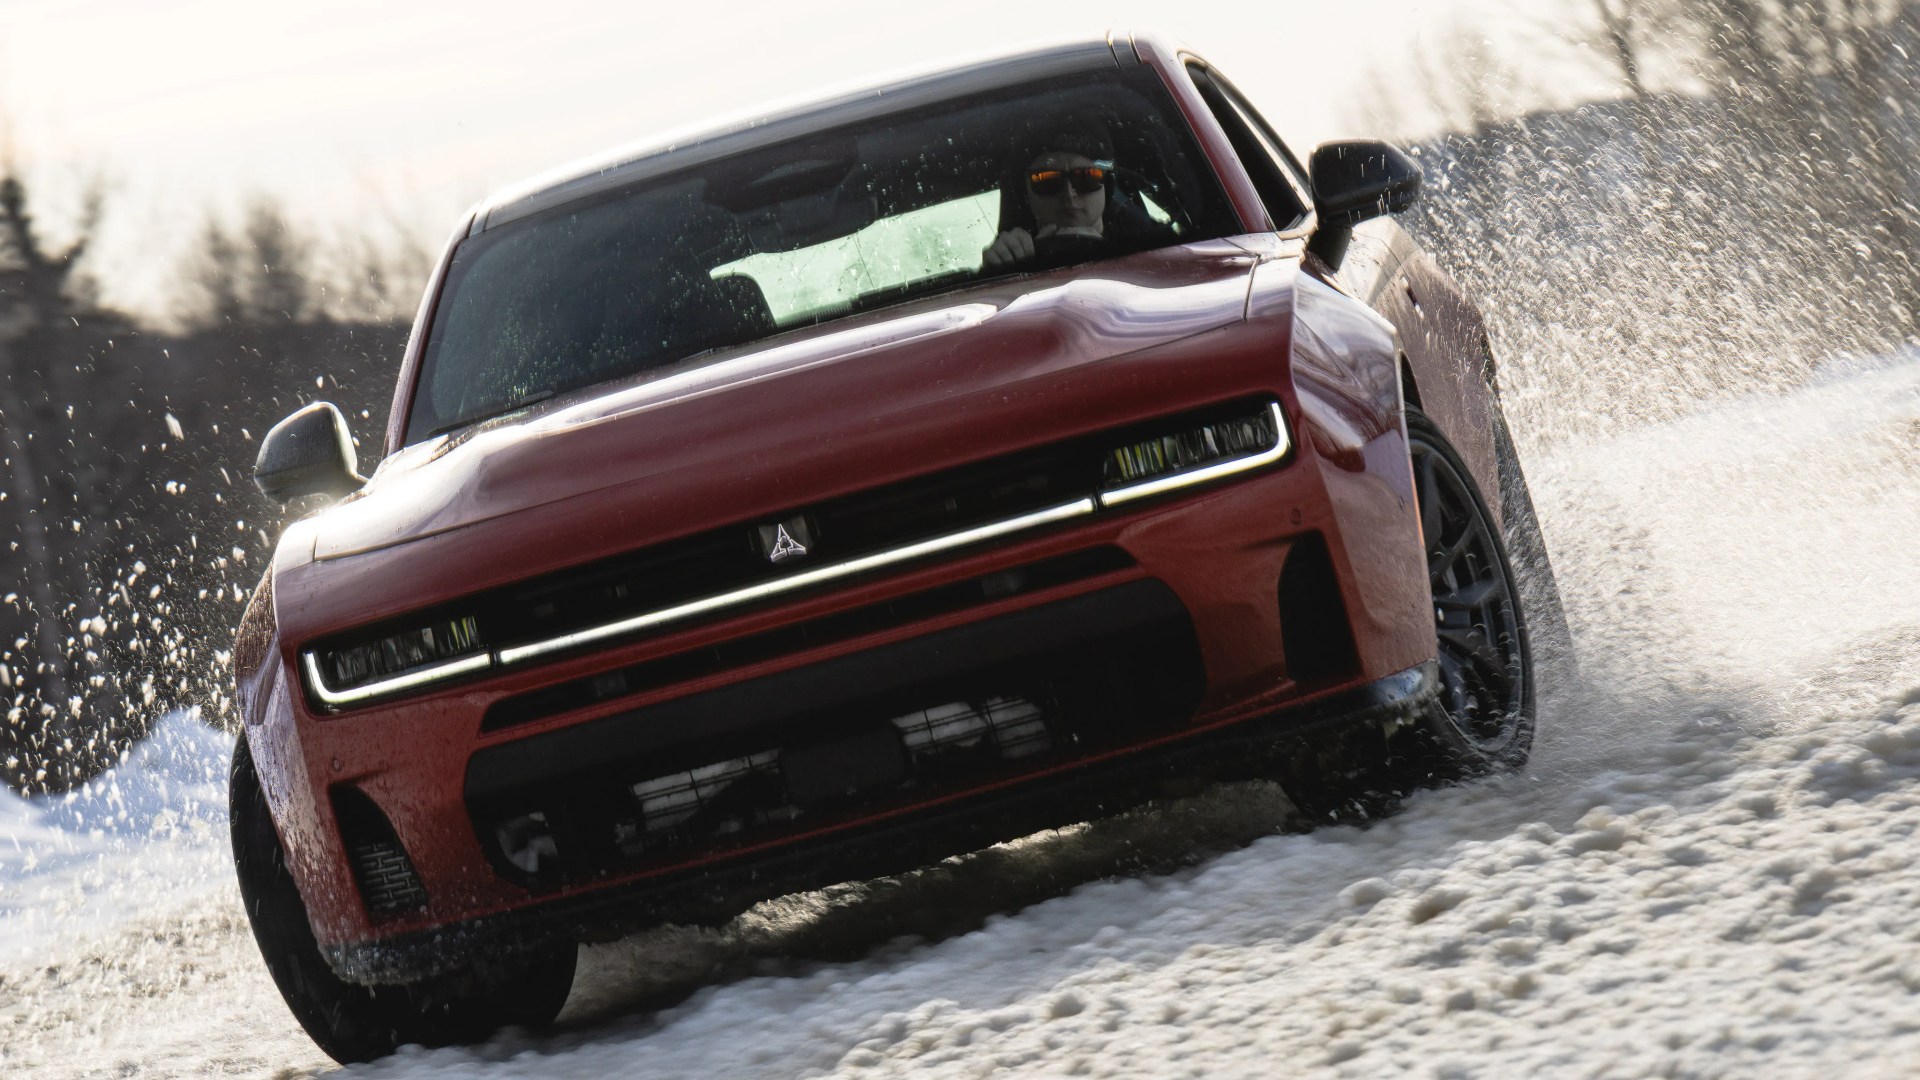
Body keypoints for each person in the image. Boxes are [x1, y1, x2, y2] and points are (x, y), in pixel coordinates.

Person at [982, 116, 1117, 269]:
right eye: (1047, 181)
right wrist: (996, 272)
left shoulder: (1143, 243)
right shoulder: (1013, 261)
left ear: (1107, 185)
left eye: (1087, 177)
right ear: (1025, 194)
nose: (1069, 194)